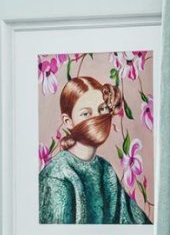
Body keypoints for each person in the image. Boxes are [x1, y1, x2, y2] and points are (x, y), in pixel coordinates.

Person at [39, 76, 151, 224]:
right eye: (86, 113)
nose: (97, 118)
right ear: (68, 121)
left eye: (102, 110)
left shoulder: (106, 170)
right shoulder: (57, 176)